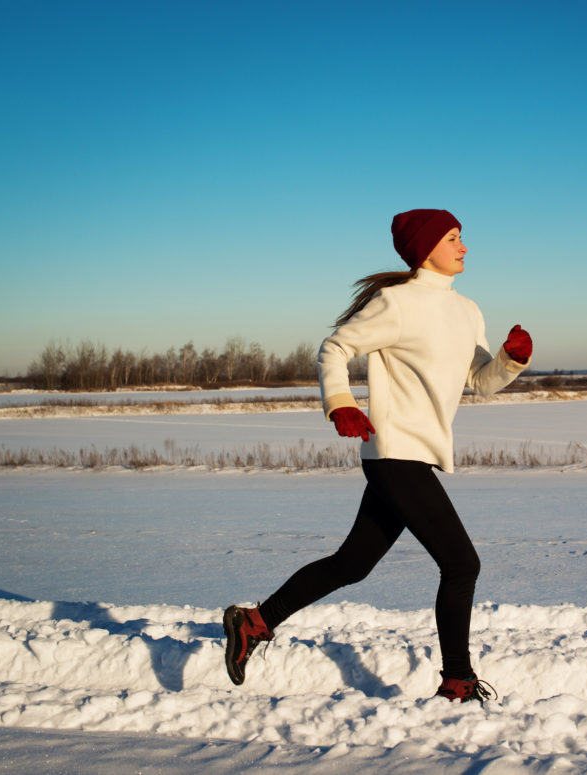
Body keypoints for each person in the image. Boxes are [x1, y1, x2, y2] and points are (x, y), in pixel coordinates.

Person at [223, 209, 532, 703]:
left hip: (418, 454)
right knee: (461, 564)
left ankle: (253, 622)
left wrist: (511, 361)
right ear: (425, 247)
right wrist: (340, 402)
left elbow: (479, 382)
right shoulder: (397, 304)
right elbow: (335, 348)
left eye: (462, 238)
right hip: (392, 452)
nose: (464, 246)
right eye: (454, 238)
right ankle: (457, 682)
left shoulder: (468, 311)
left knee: (352, 563)